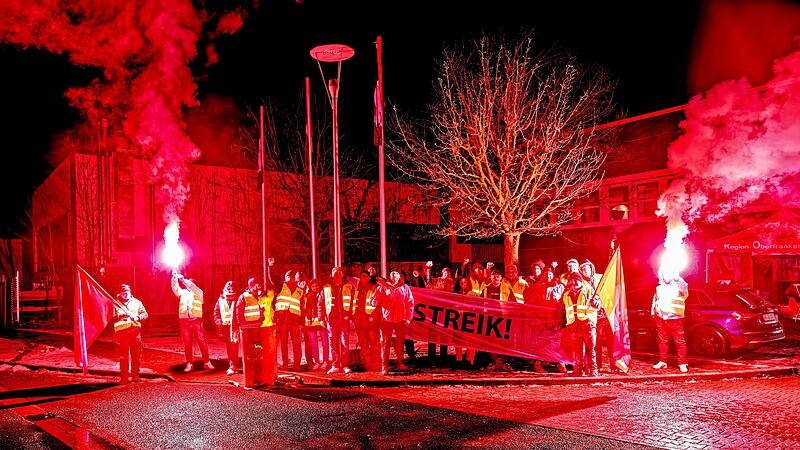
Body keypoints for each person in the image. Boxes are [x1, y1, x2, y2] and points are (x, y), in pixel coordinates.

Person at [171, 271, 213, 373]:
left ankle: (207, 362)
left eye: (190, 283)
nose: (188, 286)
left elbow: (192, 287)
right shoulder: (183, 293)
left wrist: (183, 280)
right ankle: (189, 363)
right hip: (184, 322)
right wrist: (174, 278)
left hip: (196, 321)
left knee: (202, 341)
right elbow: (175, 288)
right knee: (187, 343)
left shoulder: (199, 293)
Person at [562, 272, 601, 377]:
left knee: (590, 349)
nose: (573, 283)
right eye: (571, 281)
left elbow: (598, 305)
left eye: (576, 280)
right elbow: (566, 310)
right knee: (577, 350)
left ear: (580, 281)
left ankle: (593, 370)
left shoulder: (589, 291)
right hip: (574, 325)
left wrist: (596, 303)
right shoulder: (566, 294)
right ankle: (578, 370)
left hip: (587, 324)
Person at [651, 268, 690, 373]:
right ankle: (663, 361)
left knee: (680, 342)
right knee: (662, 341)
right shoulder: (659, 288)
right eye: (664, 274)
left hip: (675, 318)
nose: (666, 276)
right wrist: (654, 313)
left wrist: (678, 278)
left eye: (668, 274)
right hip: (661, 318)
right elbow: (655, 300)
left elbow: (684, 288)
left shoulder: (679, 285)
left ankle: (682, 363)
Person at [378, 268, 415, 374]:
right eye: (392, 273)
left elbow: (410, 304)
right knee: (385, 343)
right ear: (390, 276)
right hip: (386, 320)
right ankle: (384, 366)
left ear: (400, 276)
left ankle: (400, 363)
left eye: (397, 274)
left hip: (400, 320)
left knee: (399, 343)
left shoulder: (404, 288)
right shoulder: (383, 287)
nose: (394, 275)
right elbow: (374, 301)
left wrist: (408, 318)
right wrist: (379, 293)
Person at [581, 259, 615, 373]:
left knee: (611, 341)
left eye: (587, 268)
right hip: (595, 318)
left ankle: (614, 365)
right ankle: (598, 365)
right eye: (583, 269)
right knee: (597, 343)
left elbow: (609, 291)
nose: (585, 270)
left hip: (606, 314)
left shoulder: (600, 278)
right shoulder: (583, 283)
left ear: (591, 268)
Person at [232, 278, 267, 388]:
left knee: (258, 352)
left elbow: (262, 310)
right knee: (249, 355)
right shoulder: (243, 297)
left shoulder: (259, 297)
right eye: (255, 286)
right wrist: (242, 326)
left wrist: (262, 319)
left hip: (257, 330)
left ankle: (258, 379)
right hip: (247, 331)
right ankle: (250, 380)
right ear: (250, 286)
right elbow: (239, 312)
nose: (258, 288)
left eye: (258, 285)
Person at [113, 284, 148, 384]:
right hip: (122, 333)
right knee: (123, 356)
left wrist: (137, 317)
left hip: (135, 332)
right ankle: (124, 377)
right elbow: (109, 315)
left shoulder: (137, 303)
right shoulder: (115, 303)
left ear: (130, 292)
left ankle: (135, 375)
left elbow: (145, 314)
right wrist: (118, 314)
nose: (125, 294)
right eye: (123, 292)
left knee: (135, 356)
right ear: (120, 293)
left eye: (127, 292)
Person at [324, 267, 354, 374]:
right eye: (335, 272)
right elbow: (321, 302)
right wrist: (322, 317)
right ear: (332, 274)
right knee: (333, 342)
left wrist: (349, 315)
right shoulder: (326, 286)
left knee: (344, 342)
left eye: (339, 272)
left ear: (342, 274)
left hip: (343, 319)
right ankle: (335, 365)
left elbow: (353, 302)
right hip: (331, 319)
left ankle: (345, 365)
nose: (337, 274)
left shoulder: (349, 285)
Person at [275, 271, 305, 370]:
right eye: (287, 276)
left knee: (296, 343)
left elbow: (302, 307)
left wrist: (301, 323)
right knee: (283, 343)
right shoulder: (280, 287)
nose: (289, 278)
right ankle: (285, 364)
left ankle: (297, 364)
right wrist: (270, 267)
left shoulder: (300, 290)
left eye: (291, 277)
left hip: (295, 320)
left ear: (294, 278)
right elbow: (272, 279)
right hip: (283, 320)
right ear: (285, 277)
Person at [352, 270, 381, 371]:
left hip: (371, 322)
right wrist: (354, 317)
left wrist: (374, 316)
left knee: (374, 344)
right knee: (364, 345)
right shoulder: (357, 289)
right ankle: (368, 365)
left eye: (365, 276)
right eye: (362, 276)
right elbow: (354, 305)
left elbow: (378, 304)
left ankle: (376, 364)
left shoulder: (374, 288)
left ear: (369, 277)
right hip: (359, 323)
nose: (363, 278)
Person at [213, 280, 241, 376]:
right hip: (225, 326)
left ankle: (233, 366)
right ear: (225, 288)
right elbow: (216, 312)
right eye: (229, 288)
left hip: (235, 326)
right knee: (229, 346)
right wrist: (219, 322)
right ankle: (232, 364)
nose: (230, 289)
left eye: (232, 288)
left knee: (234, 346)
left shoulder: (238, 299)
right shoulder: (221, 299)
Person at [305, 279, 330, 371]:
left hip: (322, 321)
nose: (315, 287)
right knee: (313, 343)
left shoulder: (323, 294)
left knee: (325, 342)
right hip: (311, 322)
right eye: (313, 286)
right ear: (310, 287)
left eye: (316, 285)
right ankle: (317, 362)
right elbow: (306, 309)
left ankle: (325, 361)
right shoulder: (307, 296)